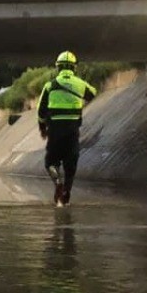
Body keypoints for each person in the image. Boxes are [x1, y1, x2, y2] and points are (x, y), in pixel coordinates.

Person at [37, 51, 98, 207]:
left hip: (54, 131)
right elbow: (93, 94)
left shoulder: (49, 85)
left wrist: (42, 127)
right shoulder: (80, 84)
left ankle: (58, 182)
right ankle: (66, 194)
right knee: (70, 164)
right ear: (74, 68)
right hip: (72, 131)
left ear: (58, 68)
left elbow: (40, 110)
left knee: (50, 162)